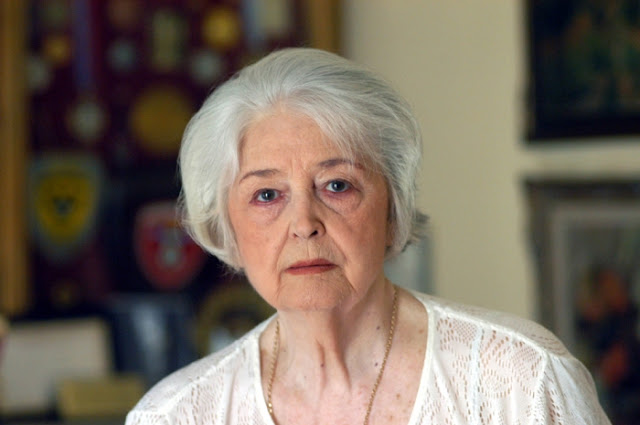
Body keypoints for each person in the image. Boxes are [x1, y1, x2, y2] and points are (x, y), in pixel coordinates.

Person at [125, 48, 611, 425]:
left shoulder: (522, 380)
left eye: (337, 185)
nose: (304, 223)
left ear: (392, 208)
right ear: (227, 224)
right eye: (267, 195)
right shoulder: (175, 415)